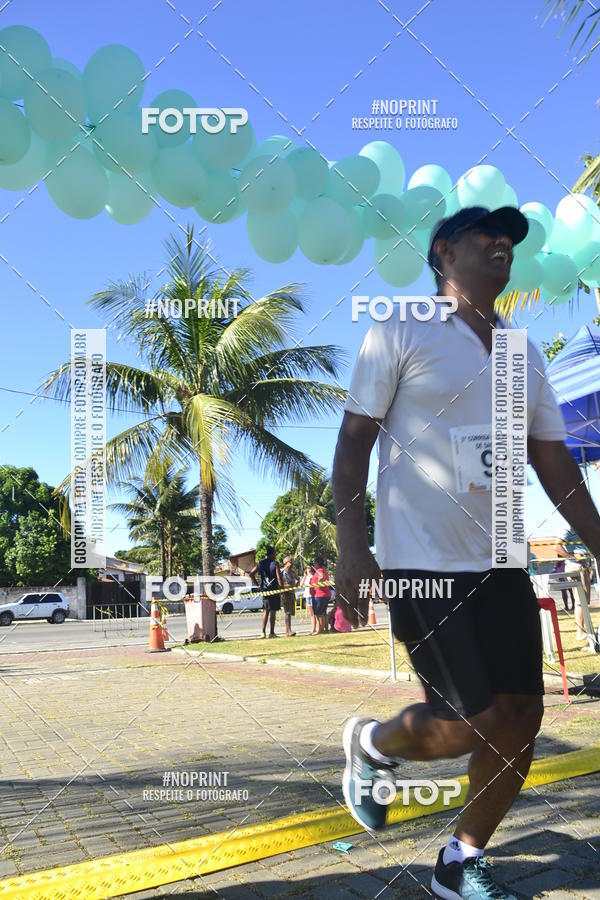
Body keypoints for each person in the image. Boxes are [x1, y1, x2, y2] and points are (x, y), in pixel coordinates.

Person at [333, 205, 600, 899]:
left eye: (511, 240)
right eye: (489, 236)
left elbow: (554, 461)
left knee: (520, 720)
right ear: (444, 253)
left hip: (502, 560)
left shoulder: (521, 351)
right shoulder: (400, 327)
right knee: (464, 726)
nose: (504, 245)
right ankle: (373, 746)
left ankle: (461, 856)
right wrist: (349, 545)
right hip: (423, 563)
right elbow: (355, 436)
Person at [250, 547, 282, 639]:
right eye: (275, 553)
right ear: (272, 554)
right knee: (273, 611)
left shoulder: (261, 563)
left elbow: (251, 574)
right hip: (274, 590)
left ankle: (263, 632)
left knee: (265, 610)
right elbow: (279, 578)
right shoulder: (275, 563)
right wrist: (282, 588)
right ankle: (272, 632)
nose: (275, 555)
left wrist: (258, 585)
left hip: (265, 590)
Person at [310, 557, 332, 634]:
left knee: (319, 613)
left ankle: (320, 630)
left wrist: (319, 583)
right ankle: (325, 629)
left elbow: (321, 577)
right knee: (323, 613)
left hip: (320, 595)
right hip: (324, 595)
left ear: (318, 563)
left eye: (315, 563)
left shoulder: (320, 570)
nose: (314, 564)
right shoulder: (323, 570)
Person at [281, 556, 298, 637]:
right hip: (285, 594)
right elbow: (280, 584)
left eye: (292, 562)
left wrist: (295, 585)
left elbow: (297, 579)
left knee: (290, 613)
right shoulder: (282, 572)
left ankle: (287, 631)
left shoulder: (292, 572)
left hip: (291, 593)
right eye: (290, 562)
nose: (292, 564)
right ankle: (288, 631)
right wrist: (286, 587)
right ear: (286, 563)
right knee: (287, 613)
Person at [300, 565, 317, 634]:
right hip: (307, 596)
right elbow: (301, 584)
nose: (307, 569)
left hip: (312, 596)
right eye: (306, 568)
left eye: (309, 568)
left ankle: (315, 628)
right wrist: (304, 576)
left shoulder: (314, 576)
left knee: (315, 613)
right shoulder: (307, 577)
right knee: (311, 614)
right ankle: (313, 629)